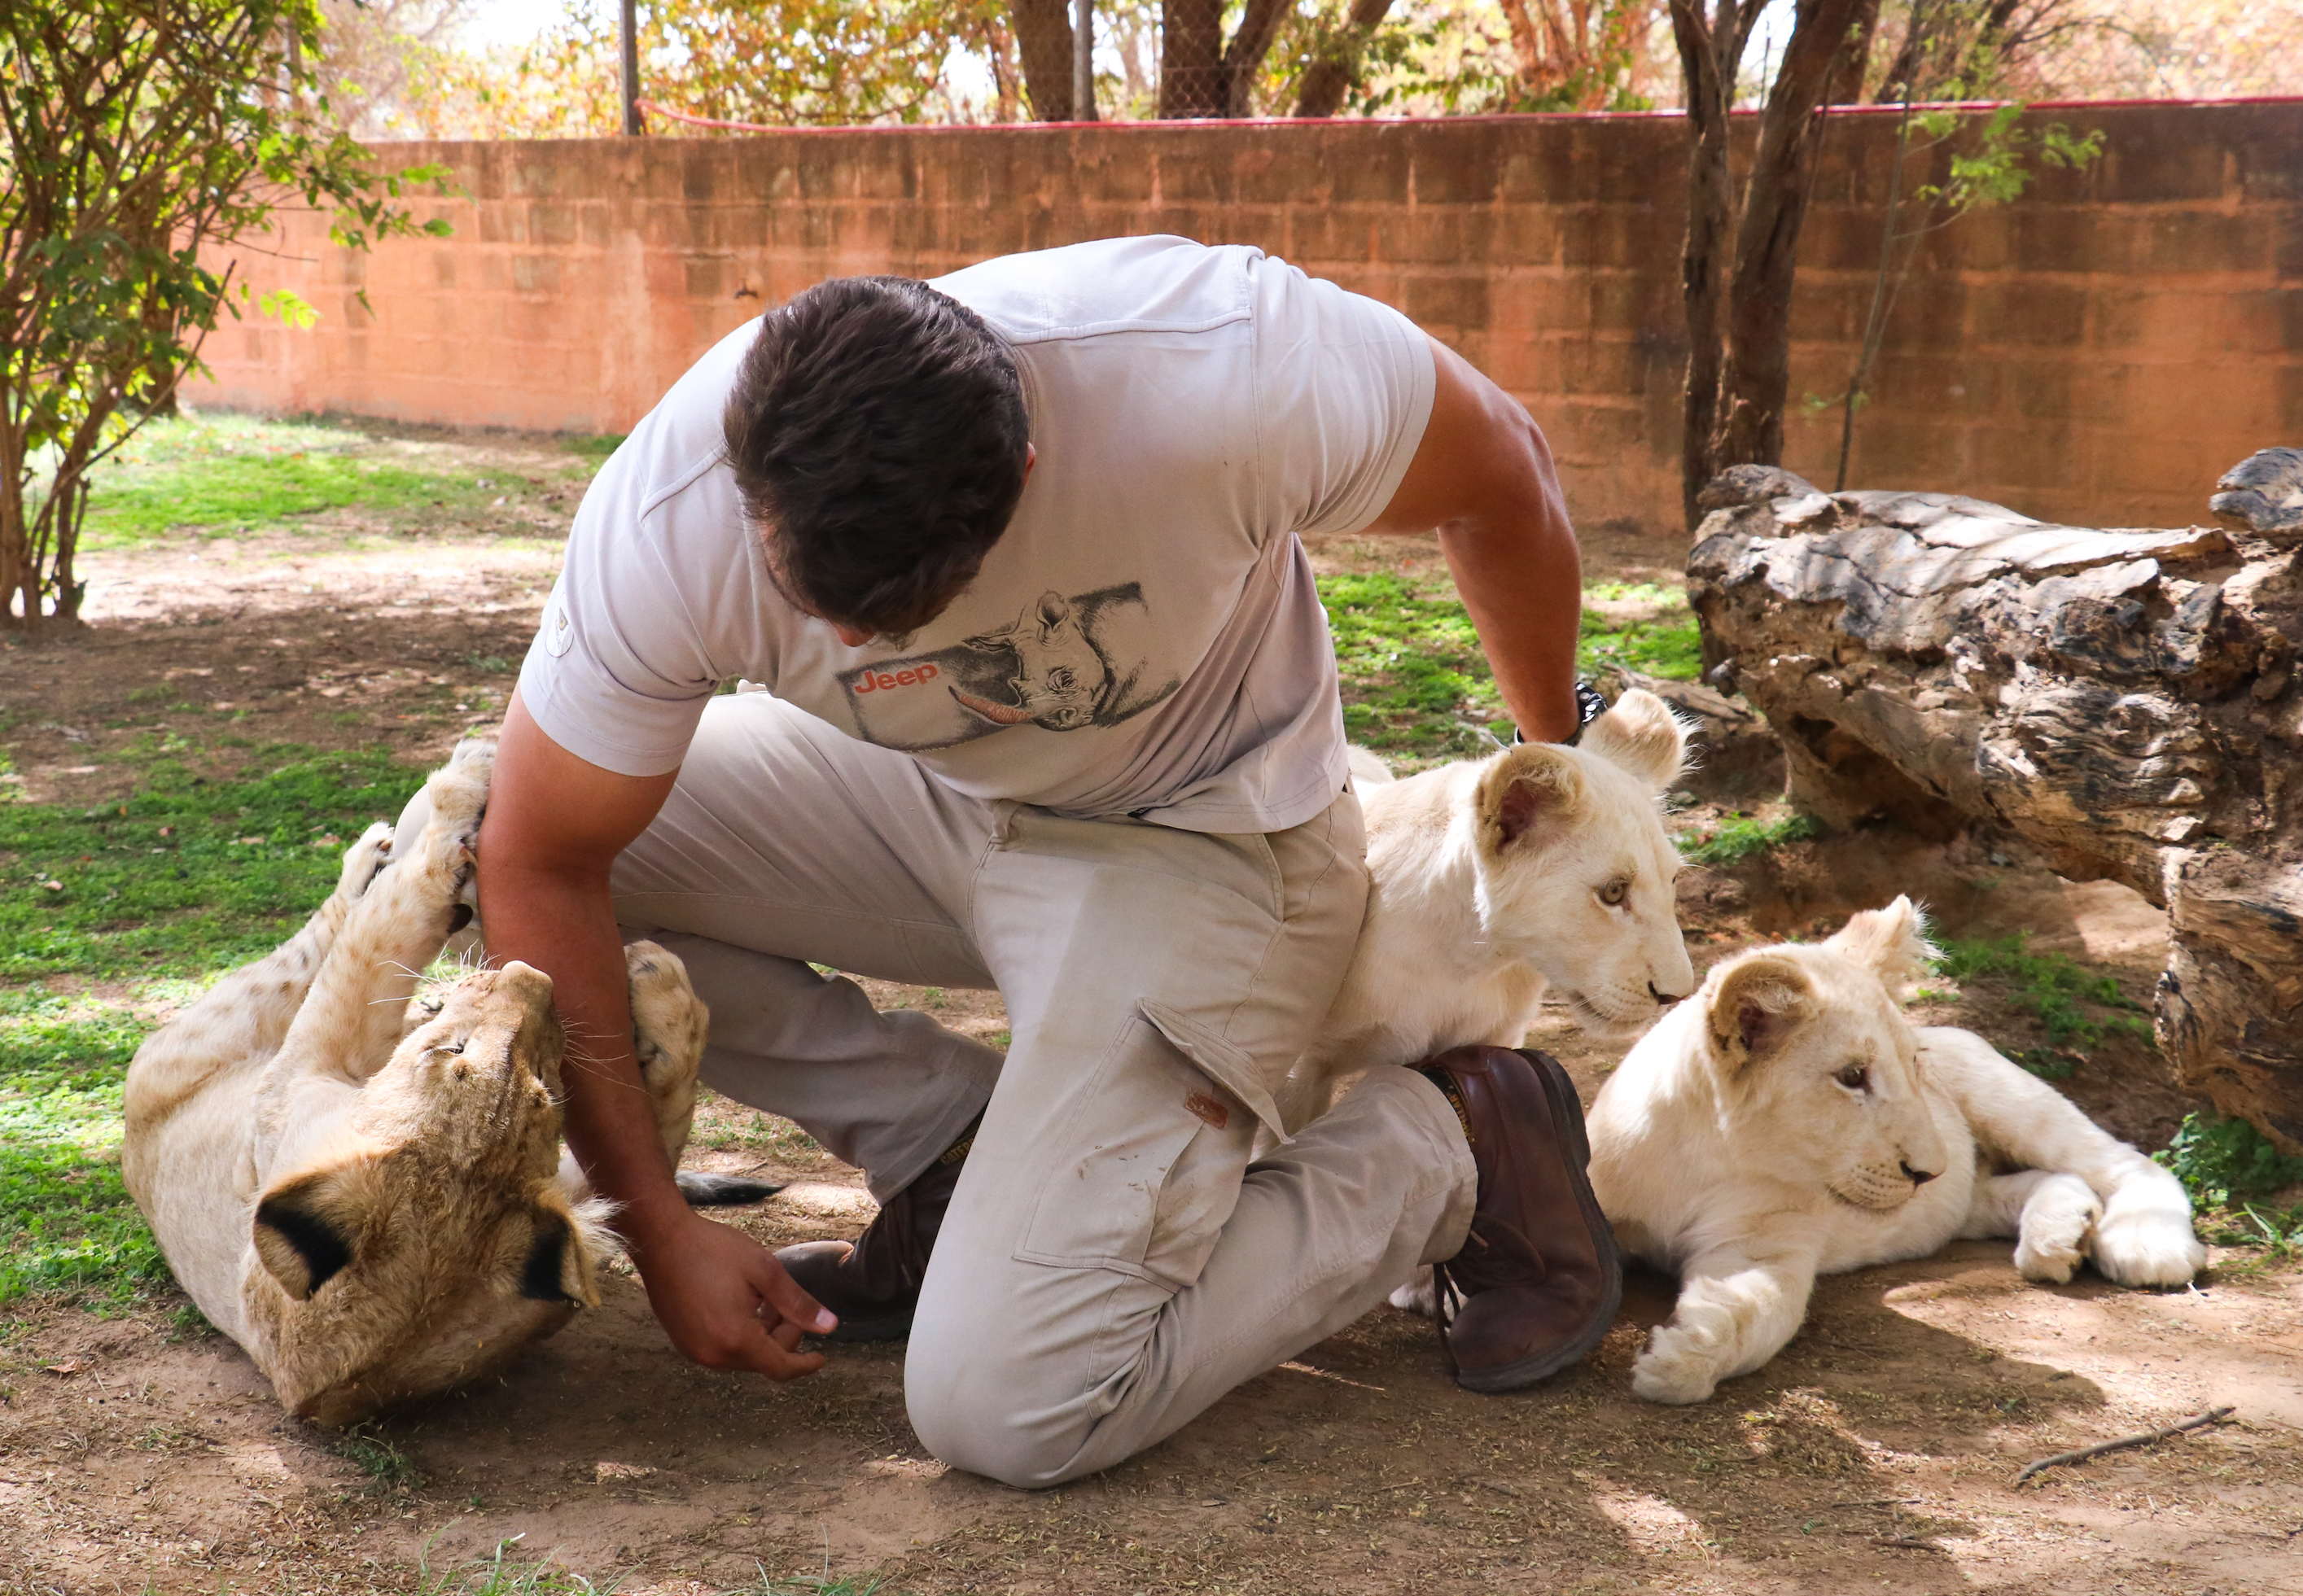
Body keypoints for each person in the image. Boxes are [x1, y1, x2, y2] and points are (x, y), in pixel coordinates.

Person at [473, 234, 1617, 1489]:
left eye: (898, 602)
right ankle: (944, 1146)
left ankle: (1441, 1137)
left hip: (1198, 832)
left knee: (1012, 1404)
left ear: (1023, 466)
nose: (850, 636)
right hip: (924, 793)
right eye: (816, 597)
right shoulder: (672, 511)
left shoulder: (1220, 371)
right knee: (475, 836)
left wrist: (1562, 756)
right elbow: (542, 858)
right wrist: (659, 1223)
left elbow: (1498, 471)